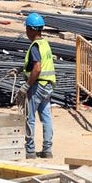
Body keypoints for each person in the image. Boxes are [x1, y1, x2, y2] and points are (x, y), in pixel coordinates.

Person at [21, 12, 56, 159]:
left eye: (27, 29)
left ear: (31, 29)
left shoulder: (35, 46)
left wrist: (26, 86)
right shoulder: (45, 44)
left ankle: (30, 151)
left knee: (30, 117)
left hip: (37, 86)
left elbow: (37, 68)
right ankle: (47, 150)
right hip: (48, 86)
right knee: (46, 117)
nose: (26, 32)